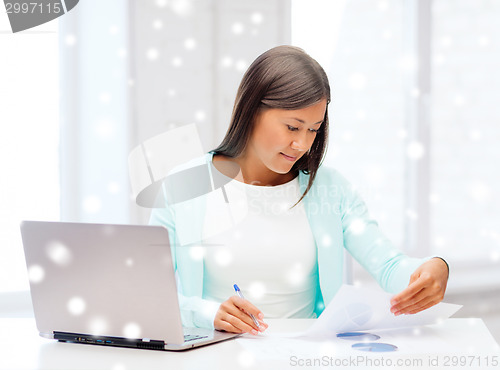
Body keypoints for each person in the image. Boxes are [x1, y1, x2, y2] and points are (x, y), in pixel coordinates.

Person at [149, 45, 449, 336]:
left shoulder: (330, 190)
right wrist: (206, 313)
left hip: (304, 356)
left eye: (314, 129)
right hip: (217, 357)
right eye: (293, 127)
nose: (303, 144)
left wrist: (432, 267)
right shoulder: (184, 187)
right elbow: (147, 294)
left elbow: (388, 265)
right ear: (252, 111)